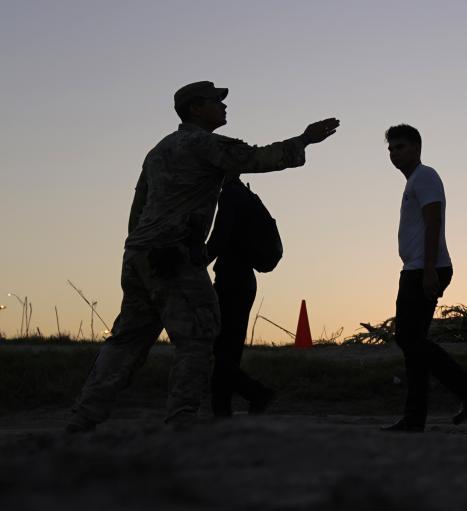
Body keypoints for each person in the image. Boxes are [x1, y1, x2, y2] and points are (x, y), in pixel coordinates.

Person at [65, 81, 338, 432]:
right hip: (173, 257)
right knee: (197, 338)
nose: (224, 107)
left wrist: (140, 248)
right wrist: (304, 139)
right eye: (216, 102)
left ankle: (84, 416)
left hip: (140, 255)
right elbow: (257, 158)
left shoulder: (158, 151)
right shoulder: (203, 144)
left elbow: (138, 209)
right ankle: (181, 421)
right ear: (195, 108)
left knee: (126, 341)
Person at [382, 124, 467, 432]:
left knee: (408, 337)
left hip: (425, 268)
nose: (394, 153)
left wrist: (429, 269)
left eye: (400, 147)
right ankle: (415, 416)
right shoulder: (414, 181)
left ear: (416, 148)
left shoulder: (425, 176)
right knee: (413, 342)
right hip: (416, 267)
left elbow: (433, 221)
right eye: (390, 148)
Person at [206, 178, 276, 416]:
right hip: (241, 280)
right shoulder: (244, 195)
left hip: (232, 281)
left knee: (215, 349)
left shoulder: (230, 195)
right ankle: (222, 410)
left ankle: (254, 393)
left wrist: (194, 261)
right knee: (227, 349)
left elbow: (219, 238)